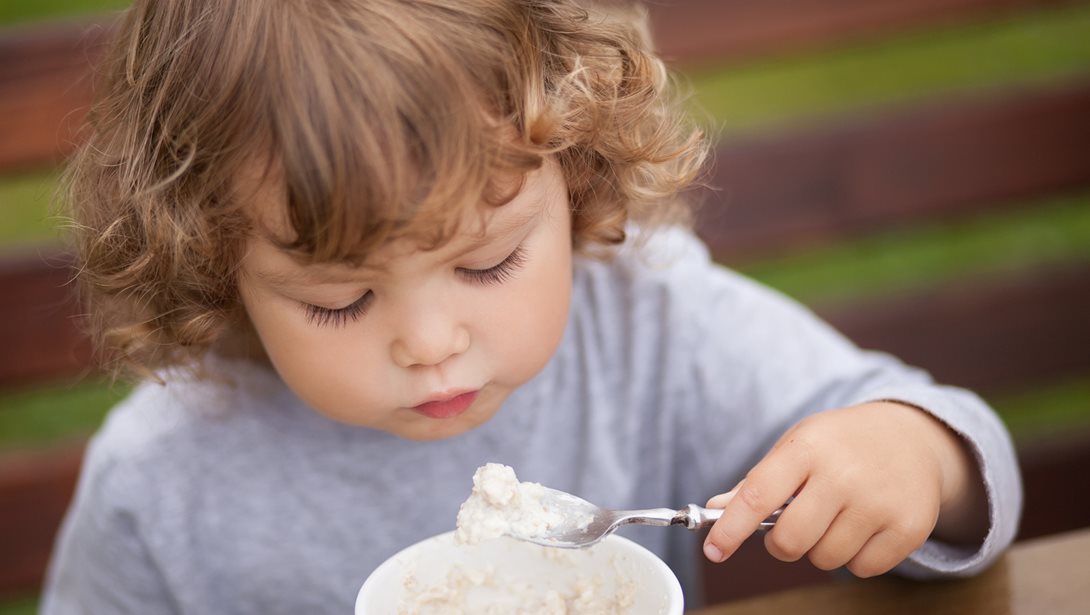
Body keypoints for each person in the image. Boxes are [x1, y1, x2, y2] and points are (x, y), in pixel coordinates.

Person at [42, 0, 1021, 613]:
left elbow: (965, 454)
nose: (430, 344)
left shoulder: (648, 325)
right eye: (338, 301)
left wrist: (911, 457)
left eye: (489, 263)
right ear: (214, 268)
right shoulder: (160, 488)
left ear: (577, 176)